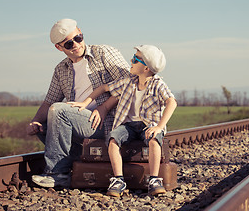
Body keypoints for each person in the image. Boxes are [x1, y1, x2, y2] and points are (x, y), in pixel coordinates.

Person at [26, 18, 130, 188]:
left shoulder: (103, 53)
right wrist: (35, 121)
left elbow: (129, 84)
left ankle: (57, 174)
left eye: (78, 38)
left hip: (105, 121)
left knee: (59, 111)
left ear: (81, 32)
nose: (75, 45)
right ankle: (74, 161)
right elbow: (49, 101)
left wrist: (104, 107)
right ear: (59, 47)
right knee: (44, 123)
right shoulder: (61, 69)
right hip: (79, 121)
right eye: (68, 44)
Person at [69, 44, 177, 196]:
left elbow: (172, 102)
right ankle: (118, 179)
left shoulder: (158, 84)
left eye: (135, 59)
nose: (131, 61)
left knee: (154, 140)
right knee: (113, 139)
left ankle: (154, 179)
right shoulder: (128, 81)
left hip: (149, 125)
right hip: (128, 126)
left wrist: (160, 127)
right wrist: (85, 102)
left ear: (146, 68)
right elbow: (103, 88)